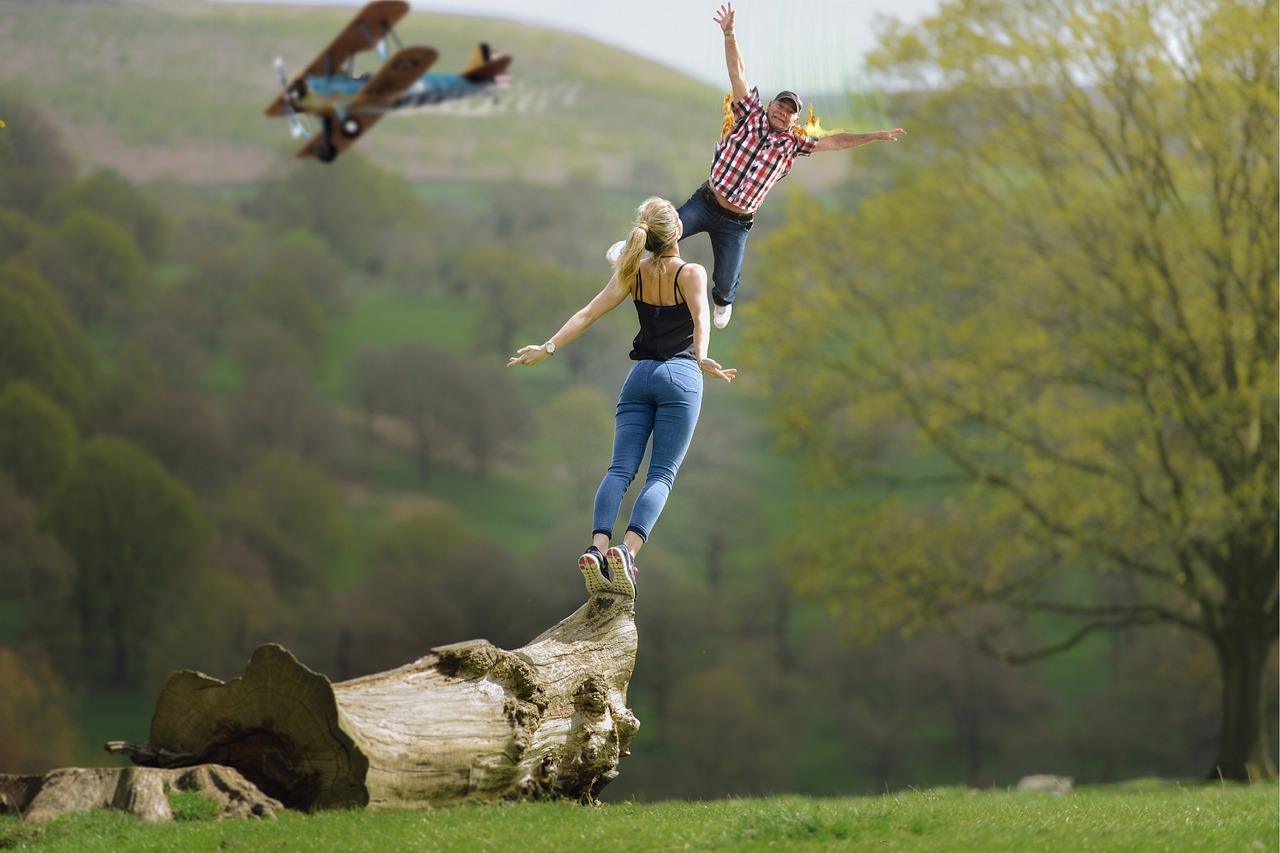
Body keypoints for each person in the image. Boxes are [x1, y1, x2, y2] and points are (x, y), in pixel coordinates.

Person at [509, 197, 735, 599]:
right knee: (661, 474)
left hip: (639, 379)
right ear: (678, 232)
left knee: (619, 470)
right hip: (680, 377)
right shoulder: (692, 273)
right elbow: (703, 317)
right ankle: (626, 554)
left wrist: (547, 348)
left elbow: (587, 313)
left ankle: (596, 549)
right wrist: (701, 357)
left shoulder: (633, 272)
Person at [667, 2, 907, 328]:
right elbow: (736, 72)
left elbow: (835, 141)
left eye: (789, 111)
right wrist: (729, 33)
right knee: (666, 231)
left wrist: (874, 136)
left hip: (736, 223)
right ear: (769, 106)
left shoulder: (794, 143)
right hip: (707, 201)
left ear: (795, 119)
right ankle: (630, 247)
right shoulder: (747, 116)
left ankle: (723, 301)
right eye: (779, 106)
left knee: (725, 285)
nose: (782, 112)